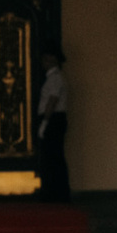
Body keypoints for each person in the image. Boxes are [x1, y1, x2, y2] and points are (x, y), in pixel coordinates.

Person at [35, 49, 71, 201]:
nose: (43, 63)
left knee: (53, 157)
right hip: (54, 119)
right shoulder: (54, 78)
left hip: (53, 119)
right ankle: (55, 192)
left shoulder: (55, 78)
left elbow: (52, 101)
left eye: (46, 59)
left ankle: (56, 193)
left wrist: (45, 122)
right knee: (53, 156)